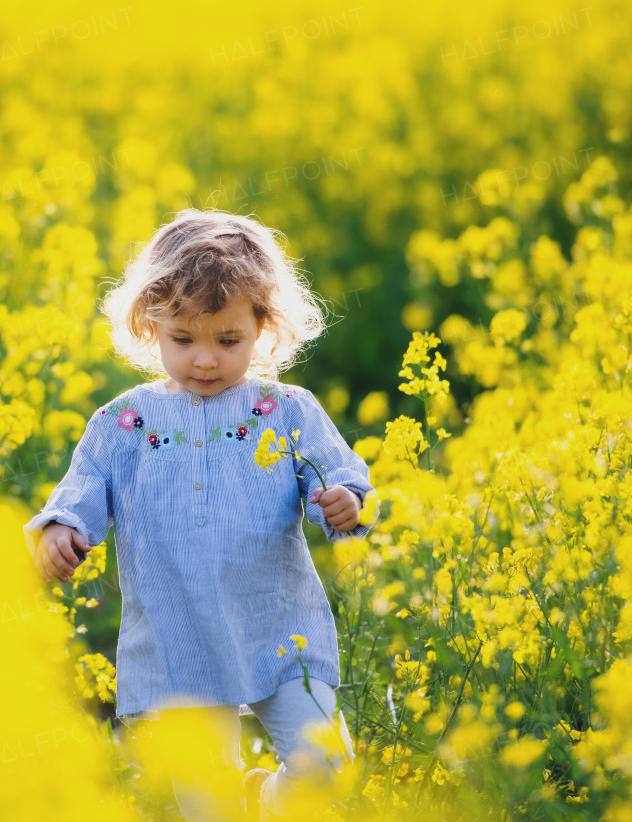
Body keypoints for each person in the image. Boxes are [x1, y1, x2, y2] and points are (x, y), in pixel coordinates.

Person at [22, 208, 375, 820]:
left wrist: (346, 504)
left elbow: (340, 480)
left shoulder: (287, 409)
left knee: (326, 771)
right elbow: (80, 492)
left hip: (279, 629)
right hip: (178, 641)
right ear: (149, 325)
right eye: (182, 340)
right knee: (207, 810)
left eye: (227, 340)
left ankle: (263, 799)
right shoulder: (122, 422)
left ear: (264, 326)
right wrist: (61, 530)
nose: (205, 360)